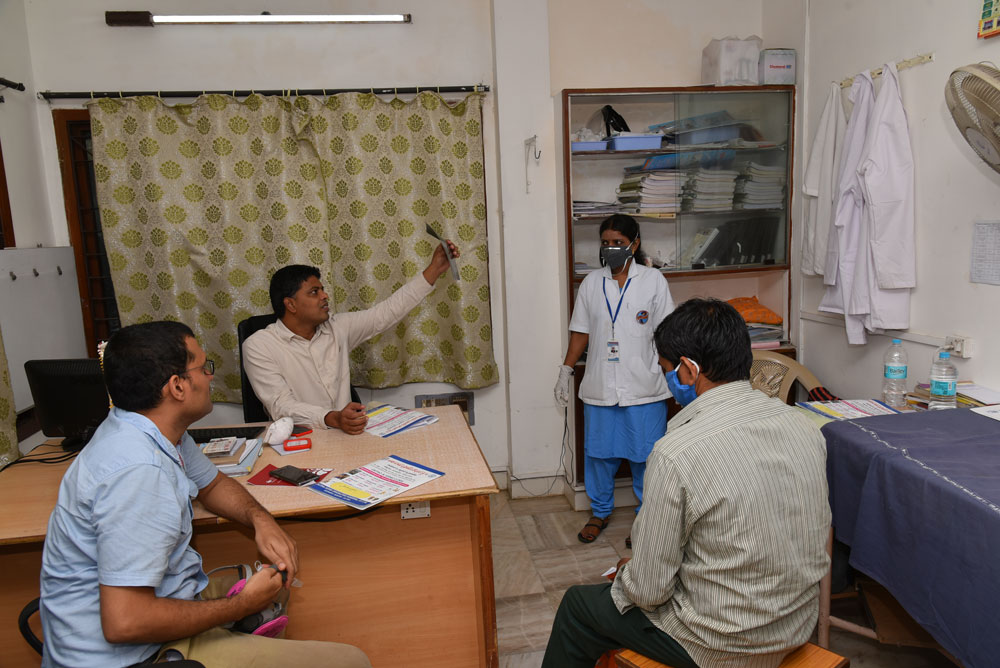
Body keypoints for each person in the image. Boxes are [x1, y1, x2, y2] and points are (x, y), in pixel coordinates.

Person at [39, 321, 371, 668]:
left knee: (275, 585)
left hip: (155, 607)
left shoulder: (150, 428)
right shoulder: (139, 473)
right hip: (130, 655)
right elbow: (126, 622)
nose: (211, 376)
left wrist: (261, 521)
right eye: (203, 367)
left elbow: (212, 484)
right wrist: (241, 606)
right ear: (177, 386)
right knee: (351, 662)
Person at [542, 298, 831, 668]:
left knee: (578, 606)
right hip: (795, 626)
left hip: (722, 645)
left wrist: (631, 573)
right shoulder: (805, 428)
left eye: (666, 370)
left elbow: (648, 592)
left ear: (689, 370)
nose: (667, 381)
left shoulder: (676, 452)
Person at [244, 240, 458, 433]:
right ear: (290, 304)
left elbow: (385, 313)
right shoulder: (259, 346)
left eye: (322, 290)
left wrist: (434, 270)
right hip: (299, 440)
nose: (325, 296)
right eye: (314, 292)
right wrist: (332, 418)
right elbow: (281, 406)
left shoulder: (337, 327)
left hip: (347, 435)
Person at [553, 214, 674, 544]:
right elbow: (581, 332)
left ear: (634, 244)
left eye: (618, 242)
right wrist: (566, 370)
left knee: (646, 457)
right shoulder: (592, 283)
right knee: (599, 455)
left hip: (644, 385)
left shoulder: (652, 280)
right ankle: (600, 511)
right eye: (605, 242)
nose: (611, 248)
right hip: (601, 384)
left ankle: (646, 518)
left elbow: (667, 333)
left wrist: (673, 374)